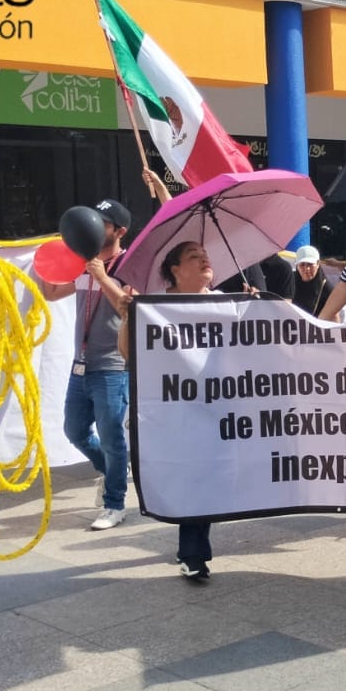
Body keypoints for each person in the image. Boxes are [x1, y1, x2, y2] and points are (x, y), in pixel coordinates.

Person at [117, 240, 222, 578]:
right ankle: (191, 552)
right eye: (194, 257)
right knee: (188, 476)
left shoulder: (226, 304)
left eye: (205, 256)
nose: (204, 260)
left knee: (204, 477)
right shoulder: (155, 307)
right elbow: (129, 353)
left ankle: (193, 551)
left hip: (217, 408)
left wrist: (255, 308)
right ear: (174, 270)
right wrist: (127, 318)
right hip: (174, 411)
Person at [40, 198, 134, 530]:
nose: (93, 227)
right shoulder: (82, 263)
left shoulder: (130, 265)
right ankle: (113, 471)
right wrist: (48, 262)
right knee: (74, 430)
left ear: (119, 231)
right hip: (80, 364)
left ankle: (115, 503)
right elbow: (52, 293)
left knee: (111, 436)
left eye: (102, 223)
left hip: (112, 365)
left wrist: (102, 275)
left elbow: (128, 306)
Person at [289, 245, 330, 316]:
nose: (307, 268)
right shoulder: (289, 282)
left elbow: (334, 318)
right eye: (302, 265)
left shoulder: (326, 288)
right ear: (297, 266)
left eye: (310, 264)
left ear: (318, 264)